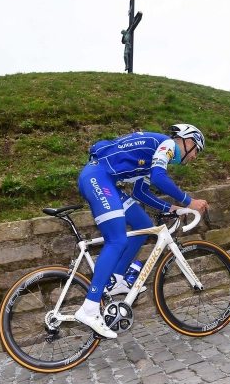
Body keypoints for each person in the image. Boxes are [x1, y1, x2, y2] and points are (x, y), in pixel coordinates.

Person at [74, 124, 209, 338]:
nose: (194, 158)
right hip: (98, 177)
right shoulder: (167, 144)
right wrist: (189, 201)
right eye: (196, 152)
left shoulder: (152, 156)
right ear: (189, 142)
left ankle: (117, 279)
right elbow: (159, 178)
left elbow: (140, 191)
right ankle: (90, 308)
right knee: (117, 240)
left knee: (143, 225)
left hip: (105, 179)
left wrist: (171, 208)